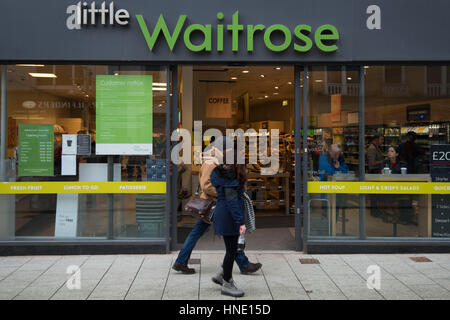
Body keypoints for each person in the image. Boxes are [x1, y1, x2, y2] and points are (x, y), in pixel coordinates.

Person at [172, 136, 262, 275]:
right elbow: (206, 185)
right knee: (231, 233)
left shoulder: (215, 160)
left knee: (205, 233)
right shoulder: (211, 162)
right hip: (212, 205)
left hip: (214, 204)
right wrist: (226, 193)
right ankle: (243, 264)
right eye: (227, 149)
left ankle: (181, 261)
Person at [210, 157, 247, 297]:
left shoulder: (220, 174)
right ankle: (227, 283)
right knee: (232, 250)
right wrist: (241, 222)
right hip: (229, 217)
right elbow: (232, 202)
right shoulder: (231, 179)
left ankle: (222, 274)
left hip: (223, 213)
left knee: (233, 249)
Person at [318, 144, 349, 223]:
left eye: (338, 154)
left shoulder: (340, 158)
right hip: (326, 188)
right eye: (335, 154)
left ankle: (333, 228)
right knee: (326, 209)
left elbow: (346, 171)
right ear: (330, 151)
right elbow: (328, 172)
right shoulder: (323, 158)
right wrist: (338, 171)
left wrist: (339, 167)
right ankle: (325, 227)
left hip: (337, 189)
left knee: (336, 209)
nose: (337, 156)